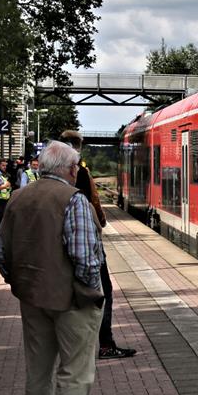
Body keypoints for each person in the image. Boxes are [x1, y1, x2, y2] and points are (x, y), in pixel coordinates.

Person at [0, 140, 105, 395]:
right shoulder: (74, 200)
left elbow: (0, 253)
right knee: (76, 372)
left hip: (32, 299)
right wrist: (90, 289)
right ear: (70, 170)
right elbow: (85, 257)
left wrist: (22, 284)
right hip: (71, 301)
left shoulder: (18, 198)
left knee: (38, 372)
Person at [60, 130, 135, 360]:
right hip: (85, 238)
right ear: (77, 147)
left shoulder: (43, 176)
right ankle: (105, 344)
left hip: (56, 245)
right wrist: (101, 222)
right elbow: (94, 200)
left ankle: (68, 345)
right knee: (104, 290)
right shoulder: (80, 171)